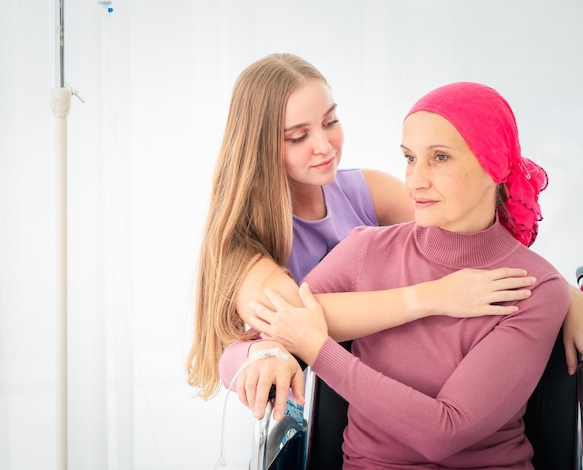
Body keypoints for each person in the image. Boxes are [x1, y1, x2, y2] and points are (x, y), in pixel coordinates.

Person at [238, 82, 573, 468]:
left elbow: (444, 432)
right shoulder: (366, 249)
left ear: (493, 165)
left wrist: (320, 350)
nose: (415, 180)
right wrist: (270, 352)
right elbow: (275, 322)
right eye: (410, 158)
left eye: (441, 158)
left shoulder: (534, 288)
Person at [185, 54, 538, 411]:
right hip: (316, 412)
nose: (323, 146)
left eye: (330, 122)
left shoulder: (363, 190)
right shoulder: (243, 245)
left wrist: (564, 299)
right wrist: (435, 295)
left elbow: (471, 230)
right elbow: (296, 319)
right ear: (260, 148)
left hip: (398, 389)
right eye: (297, 137)